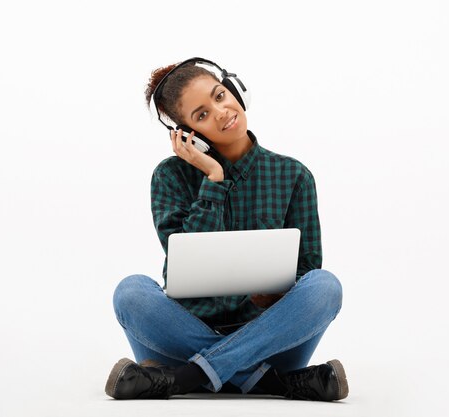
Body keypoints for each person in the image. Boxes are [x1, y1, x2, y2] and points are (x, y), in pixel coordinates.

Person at [105, 58, 348, 401]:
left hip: (271, 339)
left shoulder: (293, 175)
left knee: (326, 287)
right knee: (130, 292)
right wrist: (213, 179)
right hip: (182, 338)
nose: (220, 112)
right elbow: (184, 253)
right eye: (201, 115)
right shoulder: (169, 176)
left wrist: (278, 295)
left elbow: (308, 271)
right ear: (188, 134)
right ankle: (271, 384)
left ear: (236, 90)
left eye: (220, 96)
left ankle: (181, 380)